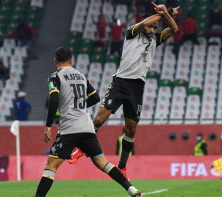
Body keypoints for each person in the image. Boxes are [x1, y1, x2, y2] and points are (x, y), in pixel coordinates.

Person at [13, 47, 144, 197]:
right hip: (88, 127)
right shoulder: (81, 76)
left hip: (69, 128)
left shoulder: (55, 76)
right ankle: (131, 189)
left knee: (51, 166)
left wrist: (48, 125)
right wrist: (80, 106)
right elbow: (95, 97)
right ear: (71, 60)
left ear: (55, 61)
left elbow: (53, 99)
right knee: (103, 163)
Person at [68, 3, 179, 181]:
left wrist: (166, 14)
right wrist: (162, 14)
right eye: (151, 25)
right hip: (121, 82)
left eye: (154, 28)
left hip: (137, 87)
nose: (152, 29)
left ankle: (122, 167)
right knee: (99, 118)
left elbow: (174, 29)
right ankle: (80, 149)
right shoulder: (131, 33)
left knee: (131, 129)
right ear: (145, 22)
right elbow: (143, 25)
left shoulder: (155, 40)